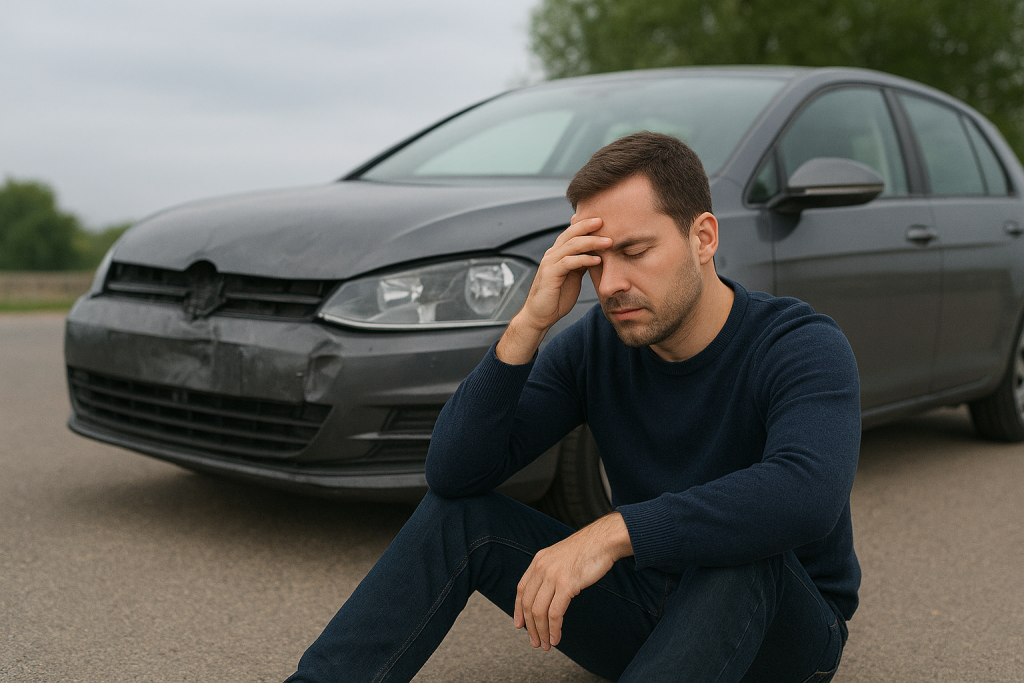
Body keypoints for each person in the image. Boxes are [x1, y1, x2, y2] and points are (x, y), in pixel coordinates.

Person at [286, 131, 861, 682]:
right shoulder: (597, 344)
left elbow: (805, 495)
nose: (610, 284)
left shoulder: (799, 344)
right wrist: (528, 325)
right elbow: (455, 473)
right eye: (594, 261)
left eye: (635, 252)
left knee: (739, 551)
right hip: (647, 609)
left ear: (703, 238)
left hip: (779, 632)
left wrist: (611, 532)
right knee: (459, 517)